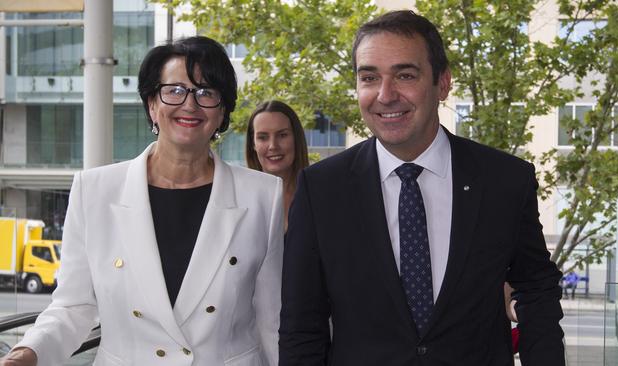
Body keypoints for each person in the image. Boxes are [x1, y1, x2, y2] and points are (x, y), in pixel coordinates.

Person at [279, 10, 565, 366]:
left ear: (442, 83)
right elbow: (301, 326)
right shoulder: (321, 189)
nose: (385, 95)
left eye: (405, 75)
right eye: (369, 77)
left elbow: (536, 289)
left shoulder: (505, 180)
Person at [0, 36, 283, 366]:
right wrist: (26, 353)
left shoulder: (263, 196)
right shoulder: (94, 191)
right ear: (152, 104)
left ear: (222, 114)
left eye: (206, 92)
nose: (190, 104)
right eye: (175, 90)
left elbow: (272, 321)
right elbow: (72, 307)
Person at [245, 100, 309, 230]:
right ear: (253, 144)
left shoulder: (317, 196)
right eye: (263, 137)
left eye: (282, 135)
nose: (273, 146)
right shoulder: (240, 200)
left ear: (296, 139)